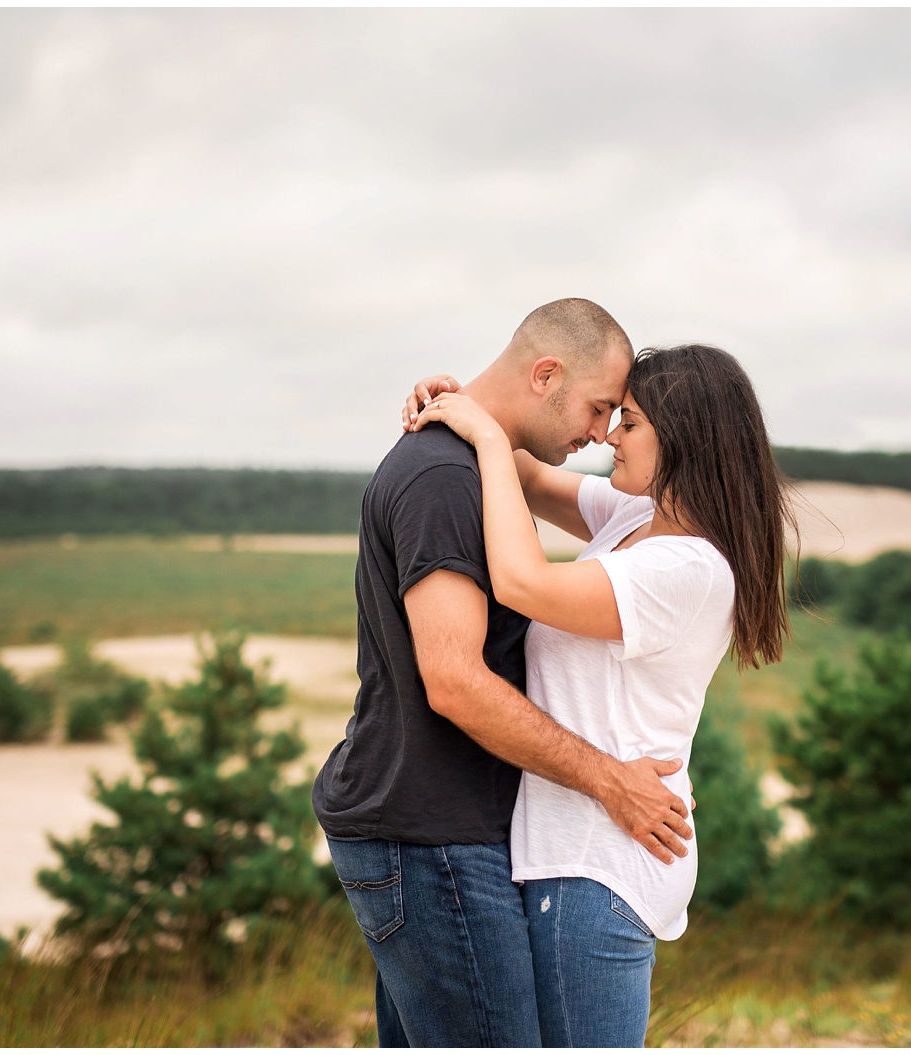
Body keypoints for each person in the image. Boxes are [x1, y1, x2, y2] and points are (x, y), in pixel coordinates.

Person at [312, 299, 697, 1048]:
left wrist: (462, 406)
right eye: (596, 408)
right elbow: (453, 679)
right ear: (546, 374)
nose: (596, 432)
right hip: (431, 834)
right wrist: (609, 779)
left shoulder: (472, 467)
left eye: (618, 417)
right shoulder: (443, 481)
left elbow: (519, 461)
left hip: (438, 829)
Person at [405, 343, 794, 1047]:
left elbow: (523, 583)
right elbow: (520, 475)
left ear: (684, 439)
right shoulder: (632, 517)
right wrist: (461, 402)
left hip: (595, 864)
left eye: (632, 422)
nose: (610, 434)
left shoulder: (687, 567)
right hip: (585, 849)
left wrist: (485, 433)